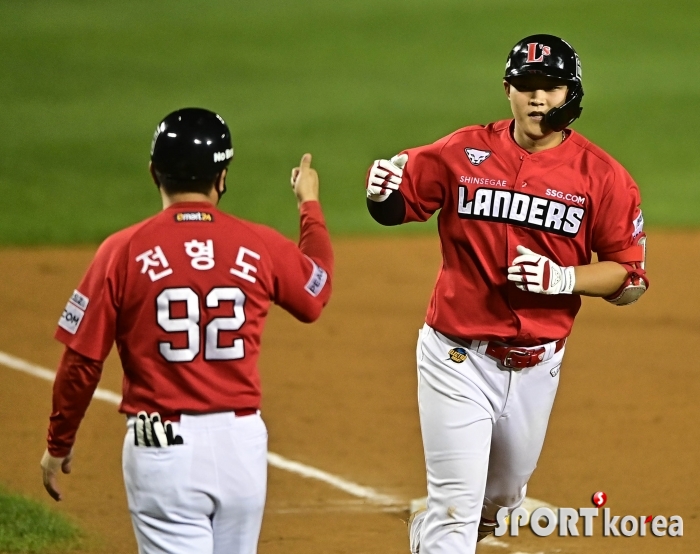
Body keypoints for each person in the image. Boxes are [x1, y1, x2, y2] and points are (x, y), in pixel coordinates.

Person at [365, 34, 649, 553]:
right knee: (455, 509)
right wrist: (381, 190)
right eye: (525, 85)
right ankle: (440, 535)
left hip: (537, 365)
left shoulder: (602, 177)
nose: (537, 98)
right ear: (507, 90)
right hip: (456, 356)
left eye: (551, 86)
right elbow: (396, 204)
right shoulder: (463, 151)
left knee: (501, 501)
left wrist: (565, 279)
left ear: (572, 93)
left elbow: (628, 278)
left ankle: (437, 532)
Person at [40, 107, 333, 554]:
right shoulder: (258, 244)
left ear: (154, 172)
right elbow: (315, 294)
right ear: (222, 177)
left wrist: (59, 442)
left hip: (162, 453)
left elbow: (82, 362)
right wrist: (308, 205)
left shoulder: (121, 251)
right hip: (242, 450)